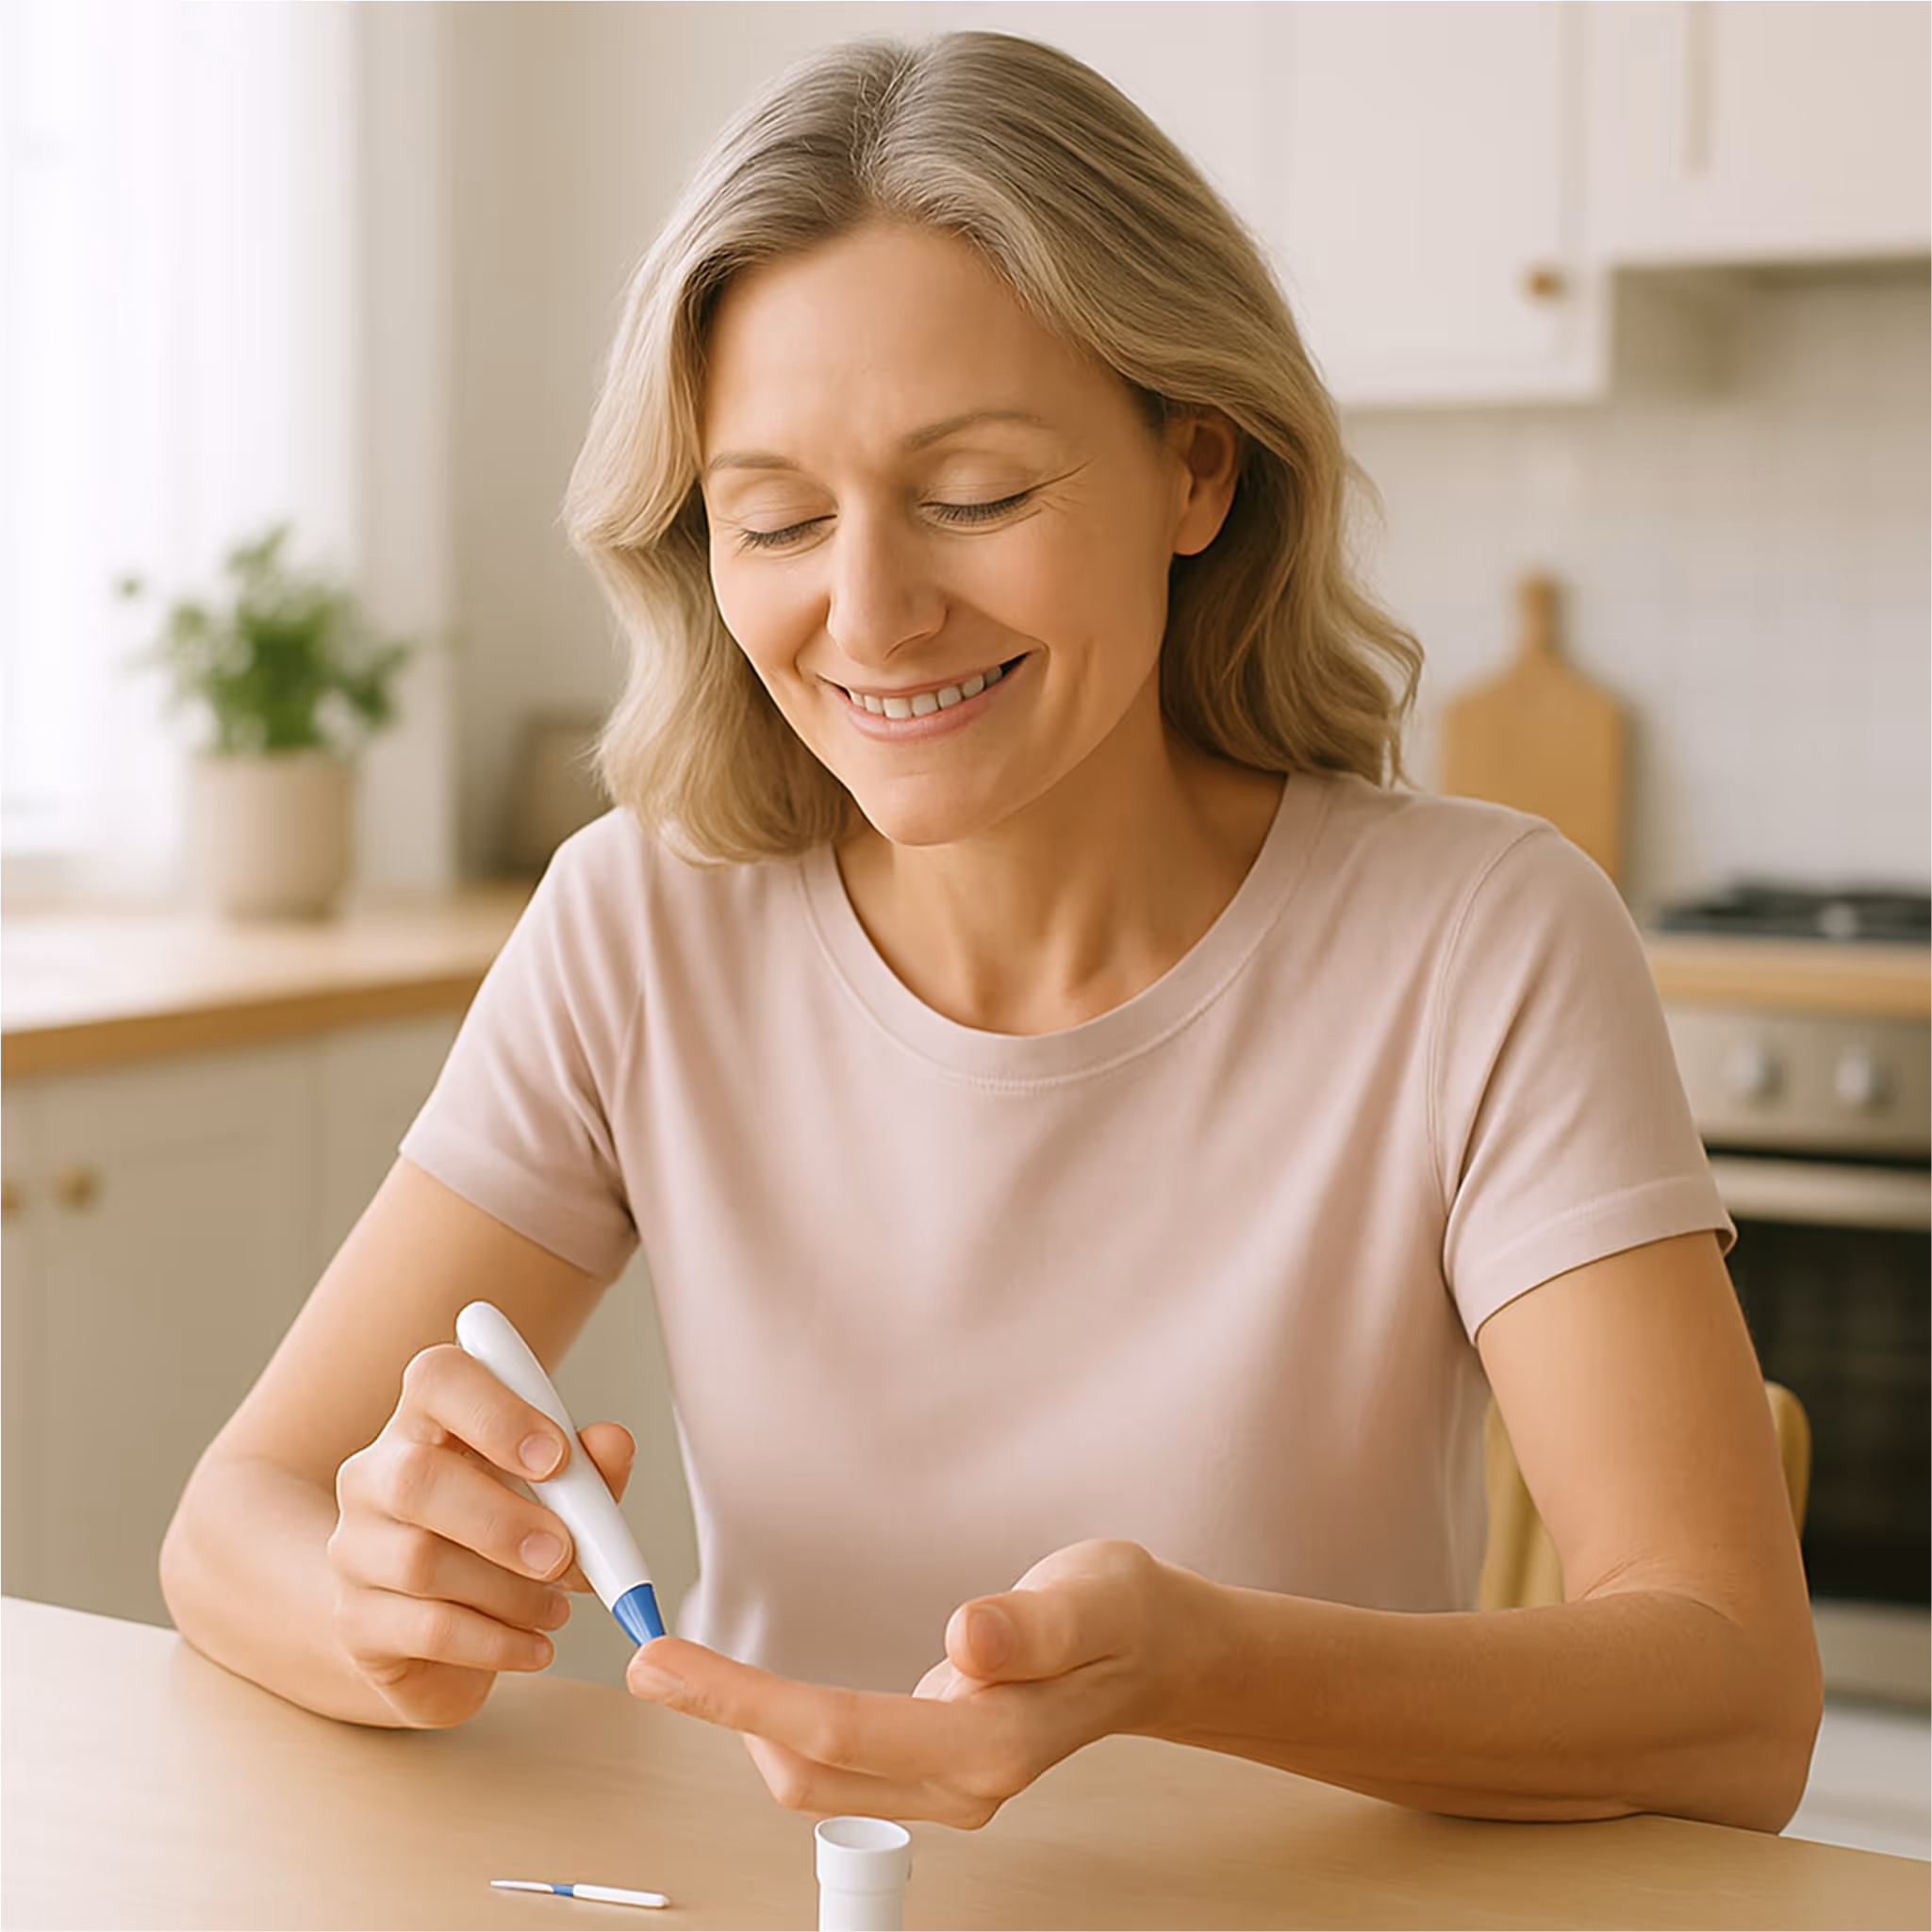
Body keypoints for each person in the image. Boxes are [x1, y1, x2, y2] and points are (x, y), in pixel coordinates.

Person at [161, 30, 1821, 1835]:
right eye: (777, 519)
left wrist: (1196, 1669)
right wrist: (379, 1604)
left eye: (974, 497)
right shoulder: (641, 925)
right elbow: (234, 1522)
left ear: (1199, 470)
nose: (871, 614)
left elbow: (1733, 1695)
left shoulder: (1482, 943)